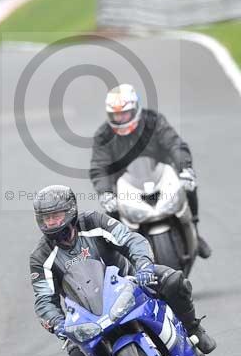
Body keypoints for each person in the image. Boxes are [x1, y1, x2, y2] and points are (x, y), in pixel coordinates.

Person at [30, 184, 216, 356]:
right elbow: (44, 299)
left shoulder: (93, 221)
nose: (51, 222)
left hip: (129, 281)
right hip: (88, 312)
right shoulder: (40, 257)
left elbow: (130, 240)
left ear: (70, 211)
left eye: (56, 215)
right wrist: (57, 323)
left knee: (174, 281)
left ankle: (194, 329)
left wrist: (144, 265)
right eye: (46, 218)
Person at [89, 84, 212, 259]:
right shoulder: (103, 135)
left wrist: (185, 168)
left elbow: (174, 144)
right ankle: (119, 257)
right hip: (125, 184)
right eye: (116, 115)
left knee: (189, 186)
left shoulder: (154, 121)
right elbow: (99, 166)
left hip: (161, 175)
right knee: (111, 213)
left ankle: (195, 231)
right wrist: (105, 192)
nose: (121, 118)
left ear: (135, 109)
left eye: (124, 113)